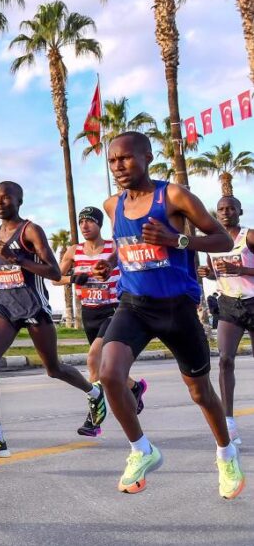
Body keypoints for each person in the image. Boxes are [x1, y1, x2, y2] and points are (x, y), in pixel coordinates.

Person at [94, 132, 243, 499]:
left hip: (177, 309)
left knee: (200, 392)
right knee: (109, 374)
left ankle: (226, 452)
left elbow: (222, 240)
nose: (119, 167)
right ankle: (142, 450)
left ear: (147, 157)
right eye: (112, 161)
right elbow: (125, 243)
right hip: (135, 305)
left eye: (126, 158)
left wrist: (176, 240)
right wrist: (110, 262)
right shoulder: (112, 205)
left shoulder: (173, 196)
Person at [0, 181, 104, 458]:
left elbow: (54, 273)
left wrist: (19, 258)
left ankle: (93, 393)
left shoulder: (30, 230)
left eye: (6, 197)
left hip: (34, 307)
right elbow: (3, 269)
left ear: (19, 201)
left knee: (53, 368)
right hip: (5, 306)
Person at [54, 206, 147, 437]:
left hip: (114, 309)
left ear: (99, 224)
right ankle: (135, 387)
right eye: (81, 221)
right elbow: (55, 277)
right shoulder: (74, 251)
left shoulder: (112, 247)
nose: (85, 225)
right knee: (107, 367)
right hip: (89, 312)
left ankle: (94, 418)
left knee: (94, 357)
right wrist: (74, 277)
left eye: (90, 221)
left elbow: (134, 263)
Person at [198, 196, 254, 447]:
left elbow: (239, 271)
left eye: (230, 208)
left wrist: (242, 270)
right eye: (221, 208)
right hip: (229, 304)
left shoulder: (248, 237)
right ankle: (229, 421)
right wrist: (208, 274)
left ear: (239, 211)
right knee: (224, 360)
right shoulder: (213, 243)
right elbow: (216, 275)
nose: (225, 212)